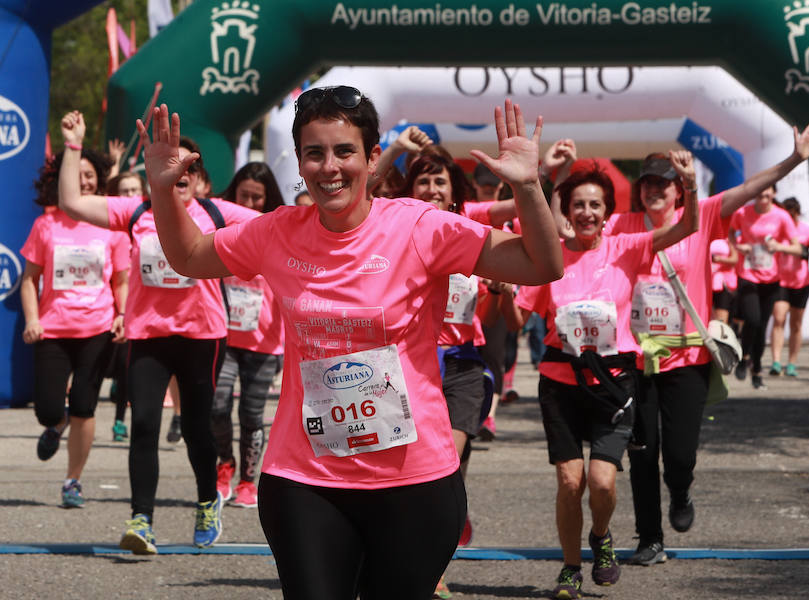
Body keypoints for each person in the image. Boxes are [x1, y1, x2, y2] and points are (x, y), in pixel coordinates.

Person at [138, 91, 563, 599]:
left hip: (414, 479)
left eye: (344, 151)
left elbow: (542, 266)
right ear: (299, 161)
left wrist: (528, 187)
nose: (329, 167)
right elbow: (188, 255)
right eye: (314, 153)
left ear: (371, 156)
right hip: (305, 477)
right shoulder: (277, 232)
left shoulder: (418, 226)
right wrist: (163, 190)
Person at [602, 120, 809, 565]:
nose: (654, 191)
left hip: (686, 356)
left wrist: (795, 159)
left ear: (679, 189)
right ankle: (650, 538)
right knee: (642, 453)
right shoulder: (619, 224)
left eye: (664, 184)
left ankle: (681, 488)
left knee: (679, 453)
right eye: (647, 184)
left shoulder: (699, 218)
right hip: (635, 358)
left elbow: (750, 187)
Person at [57, 111, 259, 554]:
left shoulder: (215, 212)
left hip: (202, 335)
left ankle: (208, 499)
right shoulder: (136, 212)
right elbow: (72, 202)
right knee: (145, 423)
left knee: (196, 429)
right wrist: (74, 145)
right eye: (171, 170)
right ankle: (141, 520)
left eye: (189, 171)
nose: (179, 177)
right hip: (148, 334)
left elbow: (277, 223)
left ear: (202, 183)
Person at [509, 154, 699, 598]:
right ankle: (571, 568)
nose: (587, 213)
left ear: (607, 212)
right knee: (570, 480)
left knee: (602, 482)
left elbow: (688, 227)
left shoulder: (626, 247)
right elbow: (518, 320)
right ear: (566, 210)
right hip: (560, 382)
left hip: (614, 382)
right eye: (578, 205)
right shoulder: (550, 258)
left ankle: (602, 535)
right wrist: (501, 292)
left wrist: (689, 186)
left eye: (595, 205)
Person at [399, 150, 504, 597]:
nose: (432, 190)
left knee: (446, 468)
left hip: (462, 364)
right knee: (414, 471)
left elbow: (523, 204)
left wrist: (547, 174)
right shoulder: (397, 226)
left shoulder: (471, 224)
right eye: (423, 181)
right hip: (411, 362)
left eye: (439, 181)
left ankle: (433, 567)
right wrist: (400, 143)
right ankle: (413, 552)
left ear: (453, 188)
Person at [21, 145, 129, 508]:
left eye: (89, 174)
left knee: (85, 405)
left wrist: (122, 314)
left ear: (100, 179)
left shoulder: (111, 224)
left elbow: (122, 281)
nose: (83, 180)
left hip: (97, 329)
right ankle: (56, 424)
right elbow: (28, 280)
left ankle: (73, 481)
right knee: (49, 410)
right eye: (76, 173)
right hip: (52, 329)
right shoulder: (46, 224)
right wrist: (33, 319)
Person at [213, 162, 285, 509]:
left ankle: (247, 481)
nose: (251, 205)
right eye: (245, 197)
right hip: (224, 338)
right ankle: (224, 465)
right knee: (217, 405)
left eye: (258, 198)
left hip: (265, 341)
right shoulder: (221, 221)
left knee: (252, 416)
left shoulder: (280, 226)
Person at [730, 184, 803, 390]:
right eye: (759, 195)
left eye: (767, 195)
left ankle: (757, 368)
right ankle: (743, 357)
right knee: (751, 318)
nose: (763, 198)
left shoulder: (781, 217)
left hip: (771, 279)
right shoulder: (743, 213)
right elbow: (731, 231)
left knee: (762, 326)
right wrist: (737, 246)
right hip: (748, 274)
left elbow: (797, 247)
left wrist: (779, 247)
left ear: (774, 194)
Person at [104, 171, 148, 442]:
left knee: (126, 368)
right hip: (108, 308)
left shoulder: (150, 223)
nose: (130, 196)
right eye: (124, 191)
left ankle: (121, 420)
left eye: (134, 190)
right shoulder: (109, 229)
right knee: (116, 367)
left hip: (139, 308)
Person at [769, 197, 809, 377]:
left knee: (796, 324)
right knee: (778, 318)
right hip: (781, 282)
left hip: (801, 283)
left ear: (798, 214)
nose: (788, 219)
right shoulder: (778, 231)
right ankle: (776, 362)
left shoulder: (807, 230)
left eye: (792, 216)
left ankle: (791, 363)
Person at [710, 238, 738, 323]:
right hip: (707, 281)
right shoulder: (706, 235)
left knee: (721, 320)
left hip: (723, 282)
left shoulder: (728, 239)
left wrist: (719, 259)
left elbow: (735, 259)